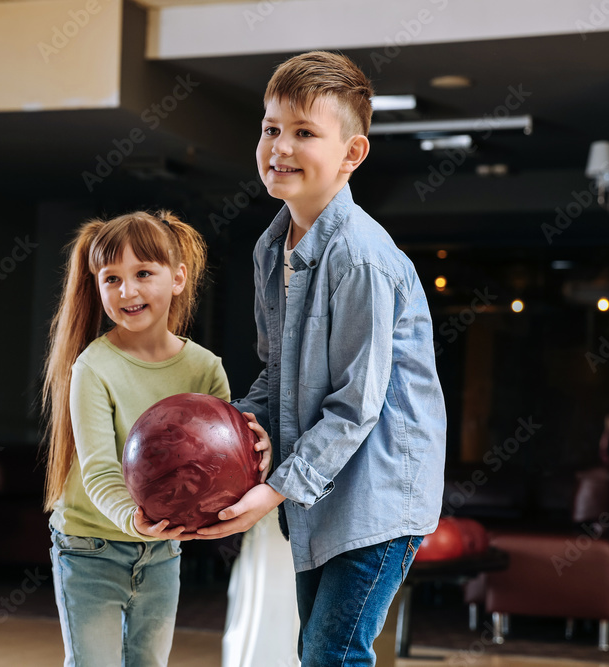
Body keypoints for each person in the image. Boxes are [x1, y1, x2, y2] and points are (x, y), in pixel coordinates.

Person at [197, 51, 447, 666]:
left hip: (381, 494)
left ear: (351, 153)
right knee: (316, 649)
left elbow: (355, 403)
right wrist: (228, 433)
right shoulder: (269, 247)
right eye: (270, 128)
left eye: (305, 132)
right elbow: (277, 371)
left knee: (333, 652)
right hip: (321, 487)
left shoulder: (360, 258)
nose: (280, 147)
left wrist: (276, 489)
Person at [41, 210, 270, 667]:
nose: (128, 291)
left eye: (144, 273)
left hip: (162, 550)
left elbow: (222, 464)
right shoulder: (92, 368)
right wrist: (134, 519)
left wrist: (256, 451)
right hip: (90, 547)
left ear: (178, 278)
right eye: (112, 278)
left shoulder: (204, 368)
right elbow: (101, 470)